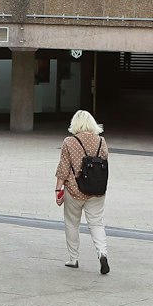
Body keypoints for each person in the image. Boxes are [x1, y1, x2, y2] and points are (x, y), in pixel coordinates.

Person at [55, 109, 111, 274]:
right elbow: (104, 163)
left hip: (74, 190)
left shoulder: (69, 142)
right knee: (96, 223)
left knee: (72, 223)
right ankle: (102, 253)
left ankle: (73, 259)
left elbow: (63, 168)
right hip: (97, 189)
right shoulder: (101, 141)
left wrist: (58, 189)